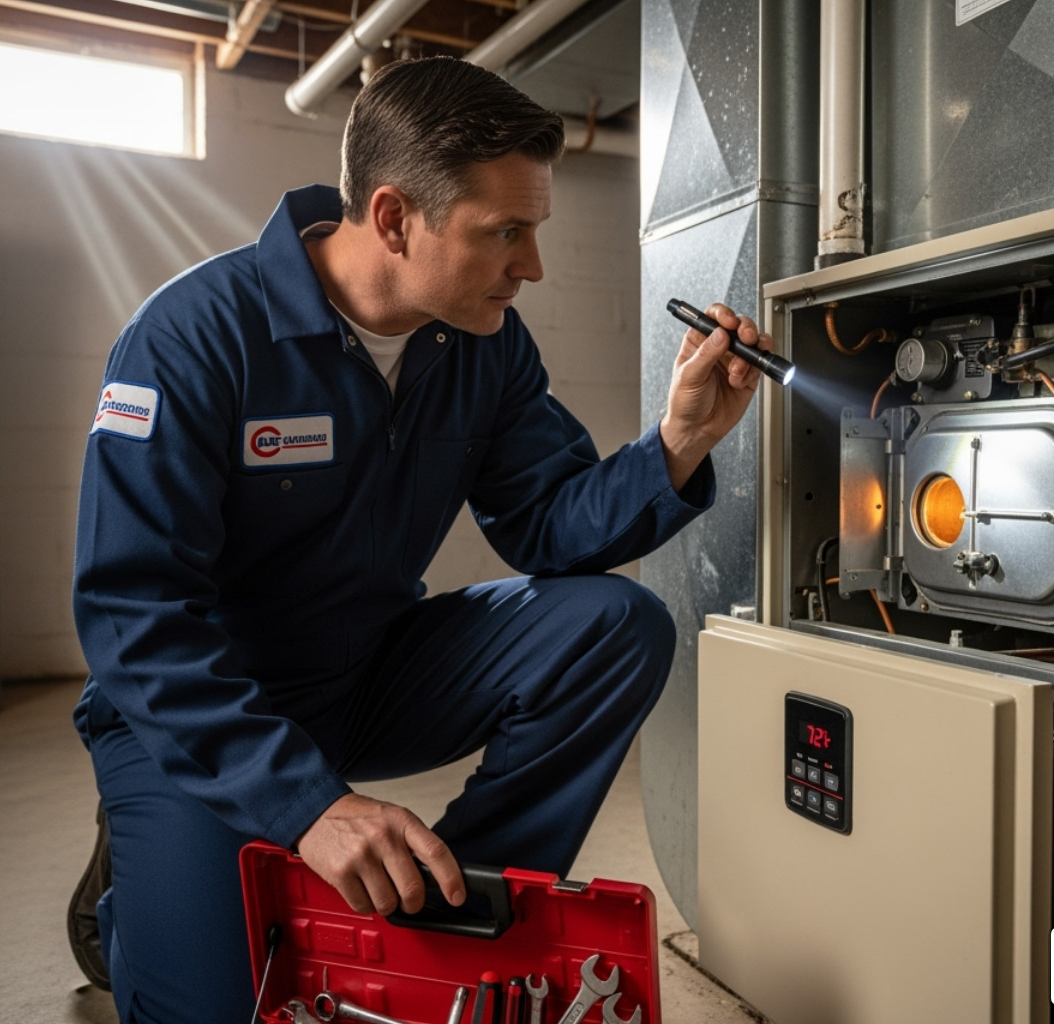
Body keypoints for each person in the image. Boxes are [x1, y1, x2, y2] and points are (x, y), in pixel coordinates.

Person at [70, 55, 771, 1023]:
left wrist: (679, 441)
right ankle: (139, 890)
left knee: (617, 626)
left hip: (364, 670)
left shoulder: (480, 343)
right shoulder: (191, 340)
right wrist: (307, 806)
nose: (533, 265)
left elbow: (545, 520)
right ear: (395, 218)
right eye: (507, 233)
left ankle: (442, 898)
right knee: (228, 1007)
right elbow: (133, 614)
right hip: (200, 711)